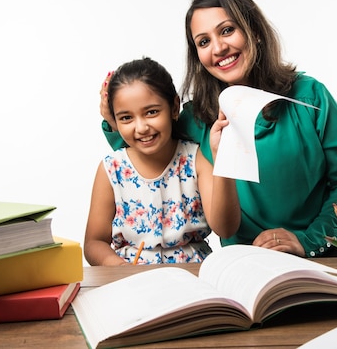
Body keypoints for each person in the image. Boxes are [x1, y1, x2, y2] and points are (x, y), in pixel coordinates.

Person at [100, 0, 337, 258]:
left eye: (227, 30)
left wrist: (308, 239)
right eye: (204, 41)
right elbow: (149, 149)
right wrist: (112, 121)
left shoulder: (310, 96)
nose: (218, 48)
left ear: (255, 31)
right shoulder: (197, 118)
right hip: (252, 262)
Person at [85, 57, 240, 266]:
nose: (141, 128)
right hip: (131, 279)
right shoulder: (112, 169)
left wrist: (222, 160)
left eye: (151, 112)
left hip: (193, 275)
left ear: (174, 108)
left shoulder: (196, 159)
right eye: (126, 118)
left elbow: (225, 228)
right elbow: (94, 242)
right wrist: (120, 268)